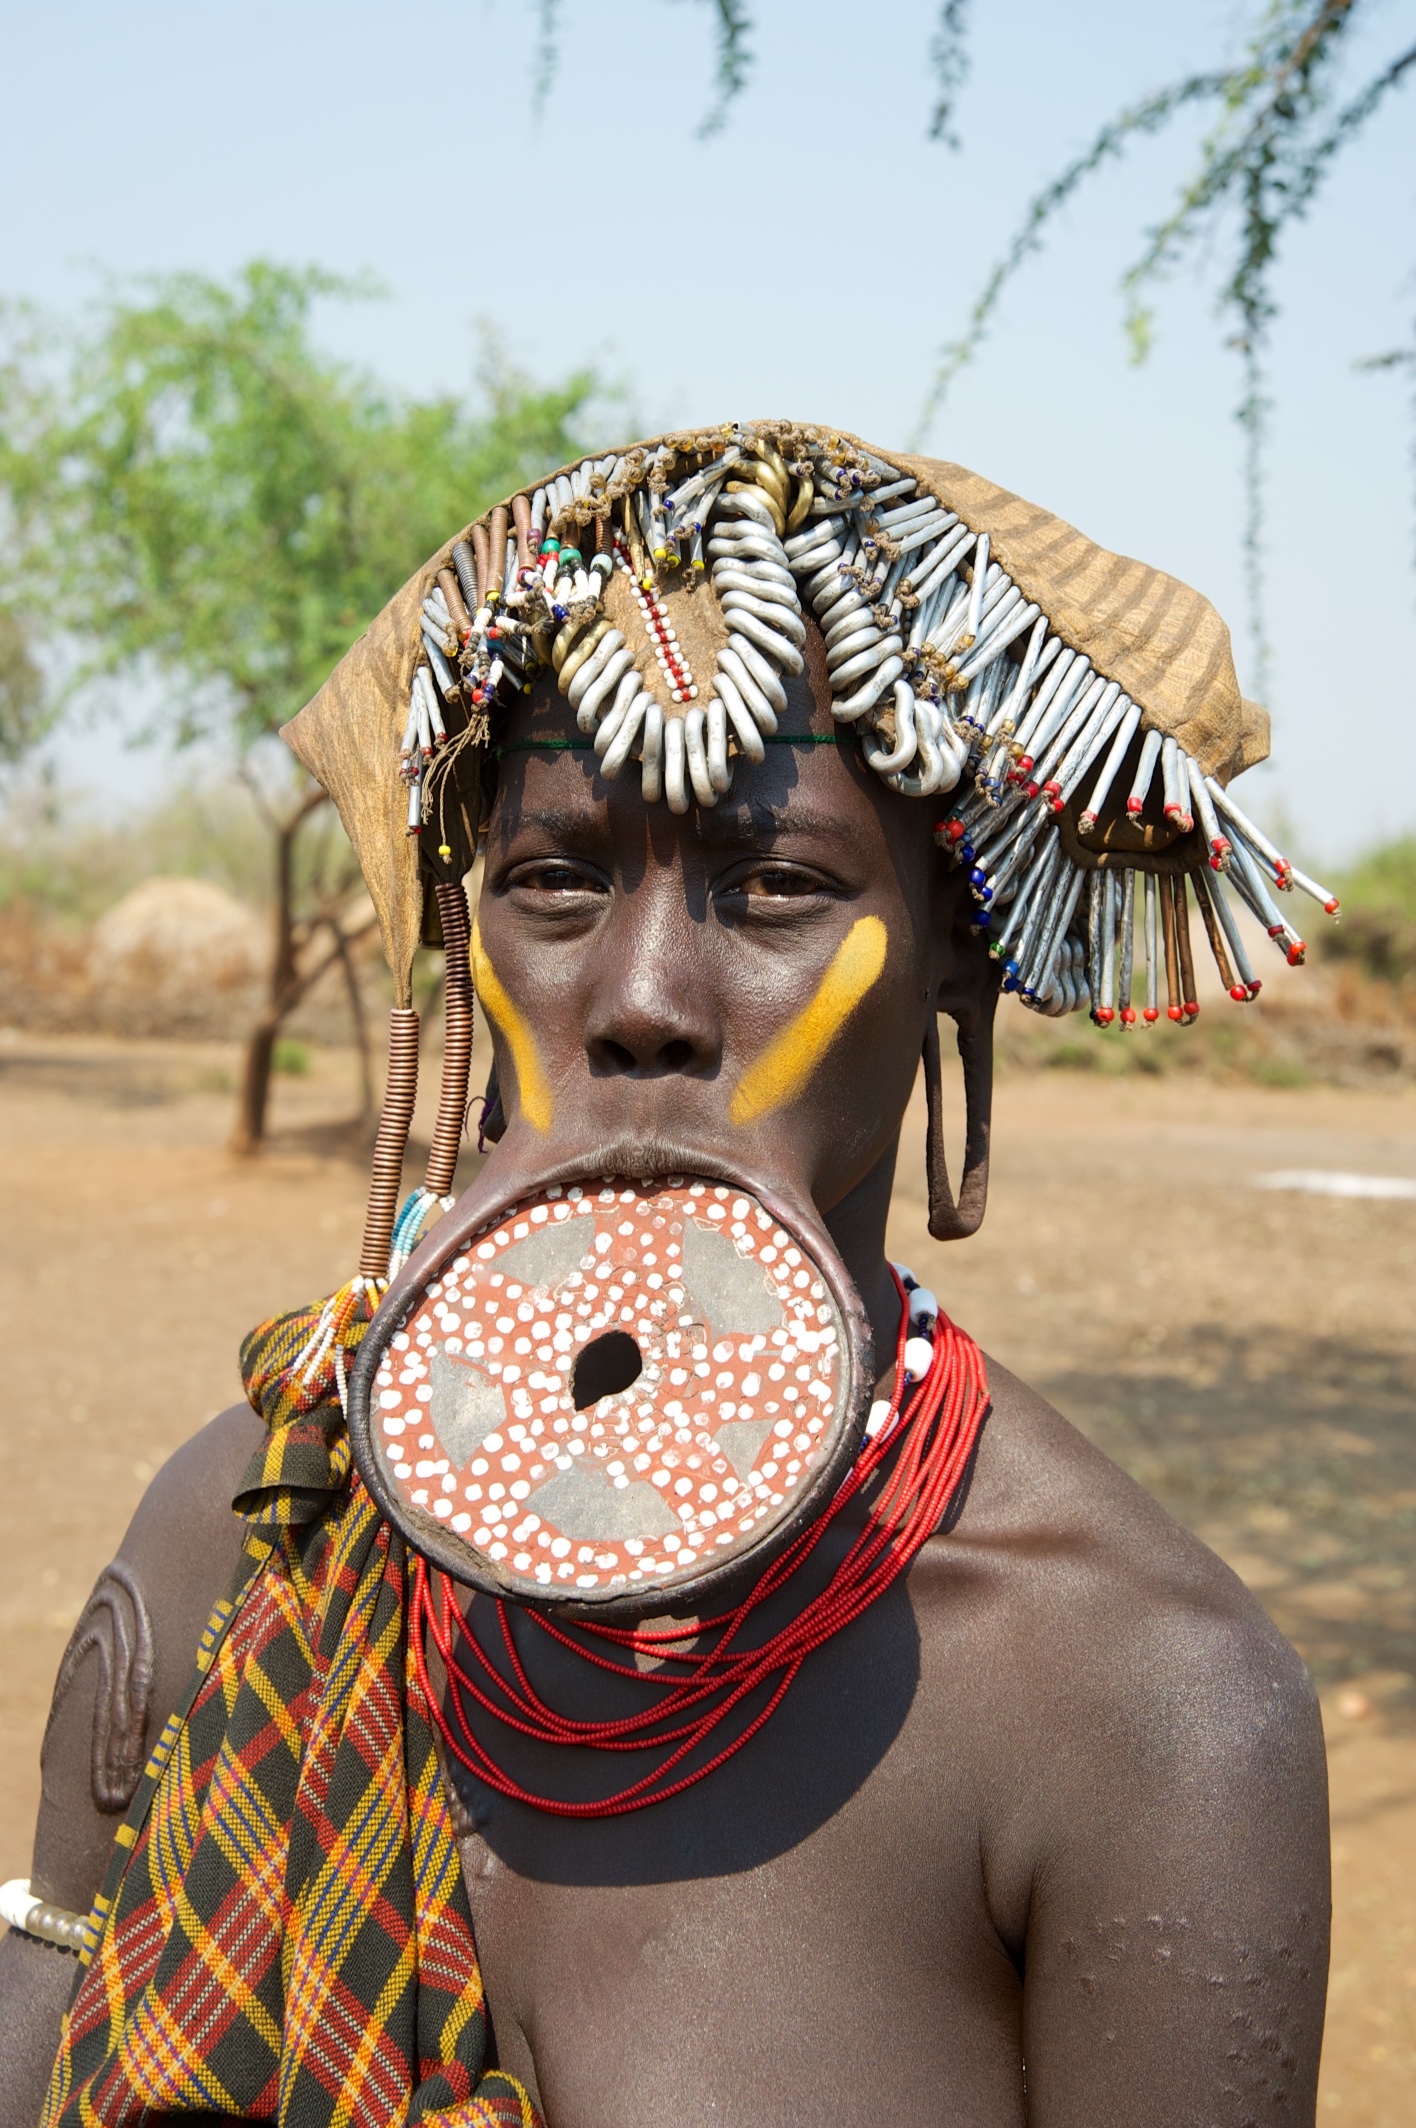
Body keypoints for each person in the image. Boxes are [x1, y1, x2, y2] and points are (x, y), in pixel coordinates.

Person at [0, 427, 1331, 2126]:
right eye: (555, 880)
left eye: (775, 887)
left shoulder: (1142, 1707)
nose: (639, 994)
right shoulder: (259, 1523)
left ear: (951, 989)